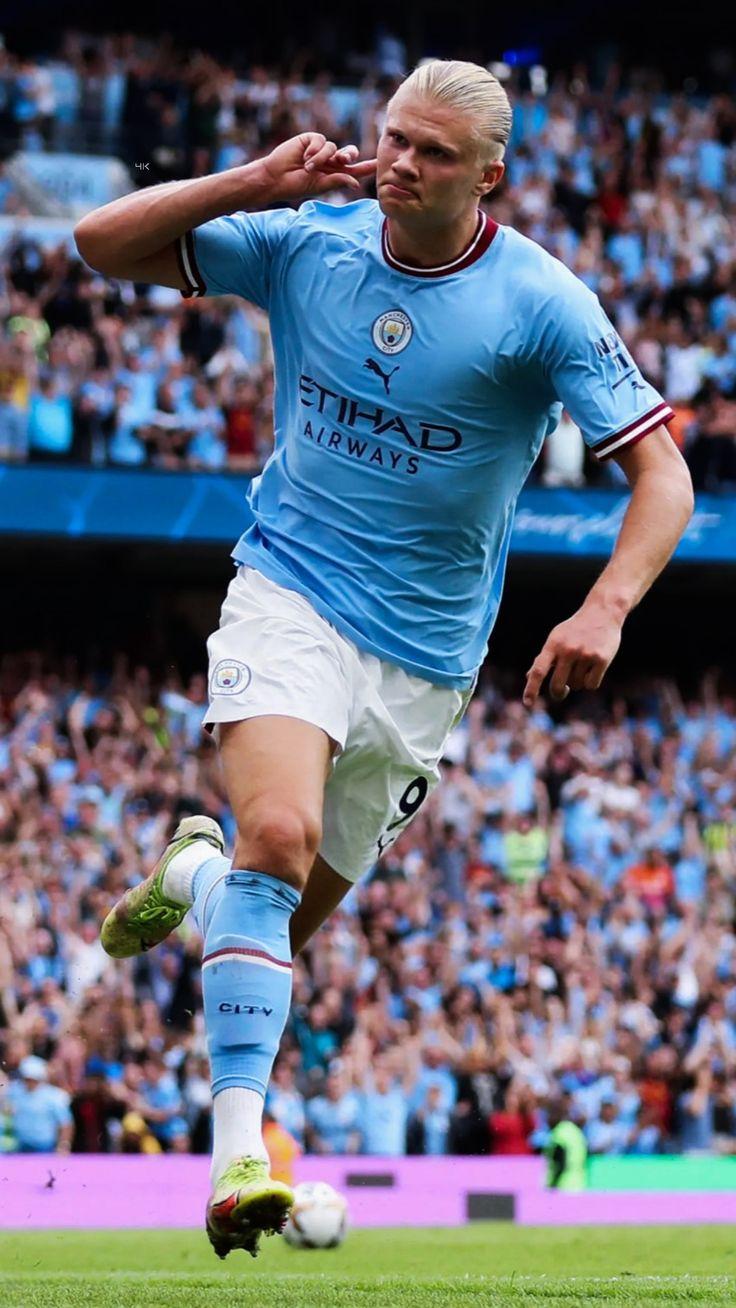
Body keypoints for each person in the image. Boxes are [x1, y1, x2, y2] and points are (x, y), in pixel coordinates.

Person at [76, 57, 693, 1257]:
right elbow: (103, 244)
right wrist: (254, 177)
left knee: (271, 923)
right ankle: (236, 1162)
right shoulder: (309, 239)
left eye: (433, 153)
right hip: (290, 594)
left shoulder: (542, 302)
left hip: (426, 664)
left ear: (489, 176)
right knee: (281, 839)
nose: (400, 163)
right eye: (393, 138)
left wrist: (608, 608)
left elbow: (661, 473)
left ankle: (195, 880)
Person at [3, 1055, 73, 1154]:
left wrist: (63, 1145)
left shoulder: (54, 1096)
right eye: (27, 1079)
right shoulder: (14, 1092)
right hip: (19, 1146)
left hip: (44, 1147)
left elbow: (65, 1123)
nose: (29, 1082)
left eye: (33, 1079)